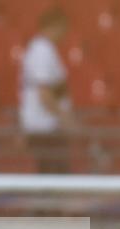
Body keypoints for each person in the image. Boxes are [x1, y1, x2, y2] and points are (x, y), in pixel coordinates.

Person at [19, 7, 72, 174]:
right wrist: (65, 117)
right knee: (52, 177)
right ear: (54, 26)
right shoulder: (43, 50)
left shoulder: (44, 49)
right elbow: (44, 92)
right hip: (44, 127)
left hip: (47, 126)